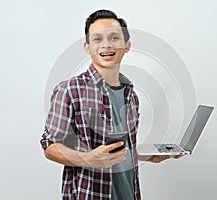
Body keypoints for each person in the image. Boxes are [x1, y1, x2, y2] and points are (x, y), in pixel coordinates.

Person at [40, 9, 180, 200]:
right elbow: (50, 146)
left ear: (127, 45)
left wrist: (149, 155)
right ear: (87, 47)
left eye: (114, 37)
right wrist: (87, 158)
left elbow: (118, 150)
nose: (106, 44)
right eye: (97, 39)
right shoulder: (70, 90)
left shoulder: (131, 94)